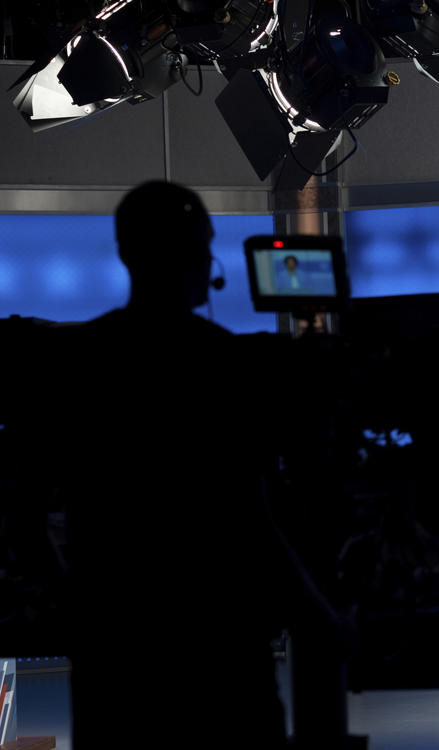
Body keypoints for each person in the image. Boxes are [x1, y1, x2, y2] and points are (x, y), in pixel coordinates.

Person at [7, 182, 286, 746]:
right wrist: (321, 615)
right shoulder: (224, 365)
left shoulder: (75, 364)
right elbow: (257, 520)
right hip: (223, 657)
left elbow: (24, 516)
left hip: (115, 667)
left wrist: (81, 612)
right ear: (201, 260)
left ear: (125, 253)